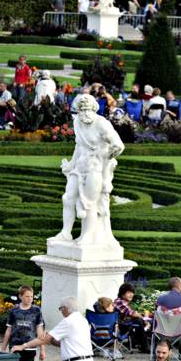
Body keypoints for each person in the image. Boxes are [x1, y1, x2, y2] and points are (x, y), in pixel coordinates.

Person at [50, 93, 125, 246]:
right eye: (82, 110)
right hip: (79, 166)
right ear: (78, 111)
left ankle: (88, 236)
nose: (85, 113)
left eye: (88, 109)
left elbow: (118, 145)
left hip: (94, 168)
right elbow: (79, 145)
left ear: (94, 109)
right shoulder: (78, 122)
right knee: (67, 198)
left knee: (90, 203)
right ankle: (65, 233)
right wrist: (71, 164)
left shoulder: (101, 123)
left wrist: (106, 154)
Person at [11, 296, 95, 361]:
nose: (61, 312)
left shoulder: (68, 321)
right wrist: (50, 340)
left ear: (66, 308)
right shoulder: (83, 320)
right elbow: (65, 342)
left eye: (60, 309)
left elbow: (44, 340)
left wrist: (23, 346)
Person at [2, 285, 45, 361]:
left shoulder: (37, 310)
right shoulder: (13, 311)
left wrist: (42, 350)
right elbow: (8, 330)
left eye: (31, 296)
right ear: (20, 296)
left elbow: (40, 331)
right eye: (27, 296)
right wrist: (3, 349)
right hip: (15, 347)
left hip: (30, 347)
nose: (30, 299)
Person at [114, 282, 149, 352]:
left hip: (122, 324)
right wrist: (143, 319)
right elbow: (132, 313)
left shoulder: (123, 302)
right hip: (119, 326)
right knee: (138, 320)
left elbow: (132, 313)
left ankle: (142, 345)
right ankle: (144, 346)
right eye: (129, 293)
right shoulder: (120, 302)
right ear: (122, 293)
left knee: (139, 321)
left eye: (132, 293)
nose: (131, 295)